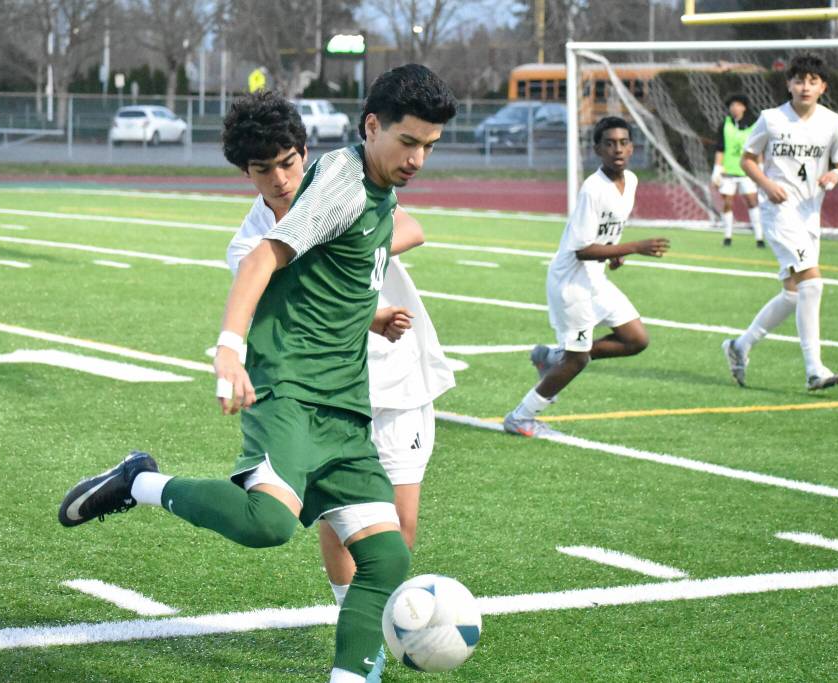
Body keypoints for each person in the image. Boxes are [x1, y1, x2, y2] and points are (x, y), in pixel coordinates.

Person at [58, 64, 458, 683]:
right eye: (408, 143)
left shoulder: (373, 186)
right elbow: (262, 259)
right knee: (267, 523)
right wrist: (229, 349)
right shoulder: (341, 183)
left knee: (387, 555)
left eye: (429, 146)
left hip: (346, 400)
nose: (418, 160)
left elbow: (349, 266)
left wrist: (371, 315)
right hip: (292, 389)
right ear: (372, 126)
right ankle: (139, 482)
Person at [221, 90, 457, 681]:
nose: (280, 179)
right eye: (263, 170)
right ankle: (359, 645)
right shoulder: (251, 242)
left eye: (289, 163)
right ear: (246, 174)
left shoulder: (345, 185)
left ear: (305, 154)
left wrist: (349, 243)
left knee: (398, 533)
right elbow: (277, 289)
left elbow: (411, 227)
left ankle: (365, 640)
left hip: (395, 378)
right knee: (337, 522)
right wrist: (229, 349)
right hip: (319, 389)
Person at [504, 116, 669, 437]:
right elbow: (581, 250)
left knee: (636, 340)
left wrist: (615, 252)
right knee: (577, 361)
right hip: (572, 283)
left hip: (595, 279)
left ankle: (552, 357)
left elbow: (604, 233)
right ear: (597, 150)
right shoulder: (593, 189)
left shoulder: (631, 181)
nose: (617, 149)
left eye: (623, 143)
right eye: (609, 144)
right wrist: (635, 247)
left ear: (632, 148)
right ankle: (521, 417)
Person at [722, 54, 838, 392]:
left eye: (812, 81)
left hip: (810, 214)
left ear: (823, 87)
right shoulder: (771, 118)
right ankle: (814, 370)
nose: (805, 86)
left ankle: (740, 346)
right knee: (813, 283)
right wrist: (767, 185)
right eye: (799, 80)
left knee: (794, 294)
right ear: (789, 84)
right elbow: (747, 160)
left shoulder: (832, 122)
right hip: (778, 212)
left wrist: (836, 175)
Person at [711, 93, 764, 248]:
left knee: (752, 201)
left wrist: (760, 169)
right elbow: (720, 149)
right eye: (732, 105)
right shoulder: (725, 125)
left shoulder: (753, 125)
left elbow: (758, 149)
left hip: (747, 172)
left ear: (744, 107)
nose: (735, 108)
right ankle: (727, 236)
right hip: (728, 172)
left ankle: (759, 237)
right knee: (727, 203)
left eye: (738, 105)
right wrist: (717, 170)